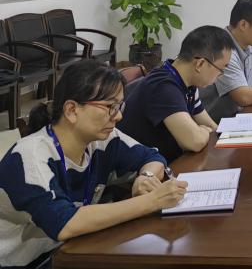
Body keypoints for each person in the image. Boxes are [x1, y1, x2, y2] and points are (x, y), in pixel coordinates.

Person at [0, 61, 187, 267]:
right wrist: (153, 201)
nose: (119, 116)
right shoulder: (30, 157)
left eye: (119, 106)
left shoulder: (103, 138)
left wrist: (147, 177)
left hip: (70, 250)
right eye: (110, 107)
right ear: (72, 110)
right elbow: (65, 223)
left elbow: (152, 157)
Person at [118, 26, 235, 162]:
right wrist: (202, 131)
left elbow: (213, 127)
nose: (220, 75)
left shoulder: (187, 82)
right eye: (221, 69)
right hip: (139, 172)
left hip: (163, 161)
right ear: (200, 64)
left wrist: (202, 130)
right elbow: (194, 141)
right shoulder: (163, 86)